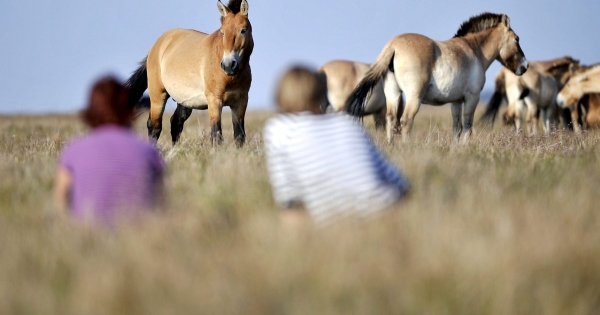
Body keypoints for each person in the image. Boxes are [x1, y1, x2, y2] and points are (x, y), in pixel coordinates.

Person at [263, 66, 410, 224]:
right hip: (384, 209)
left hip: (332, 220)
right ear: (318, 92)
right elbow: (399, 182)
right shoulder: (347, 122)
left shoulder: (278, 128)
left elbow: (289, 201)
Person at [54, 76, 165, 225]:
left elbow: (59, 208)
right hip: (136, 236)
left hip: (86, 235)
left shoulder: (72, 152)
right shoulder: (150, 152)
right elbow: (161, 206)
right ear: (129, 109)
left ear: (92, 109)